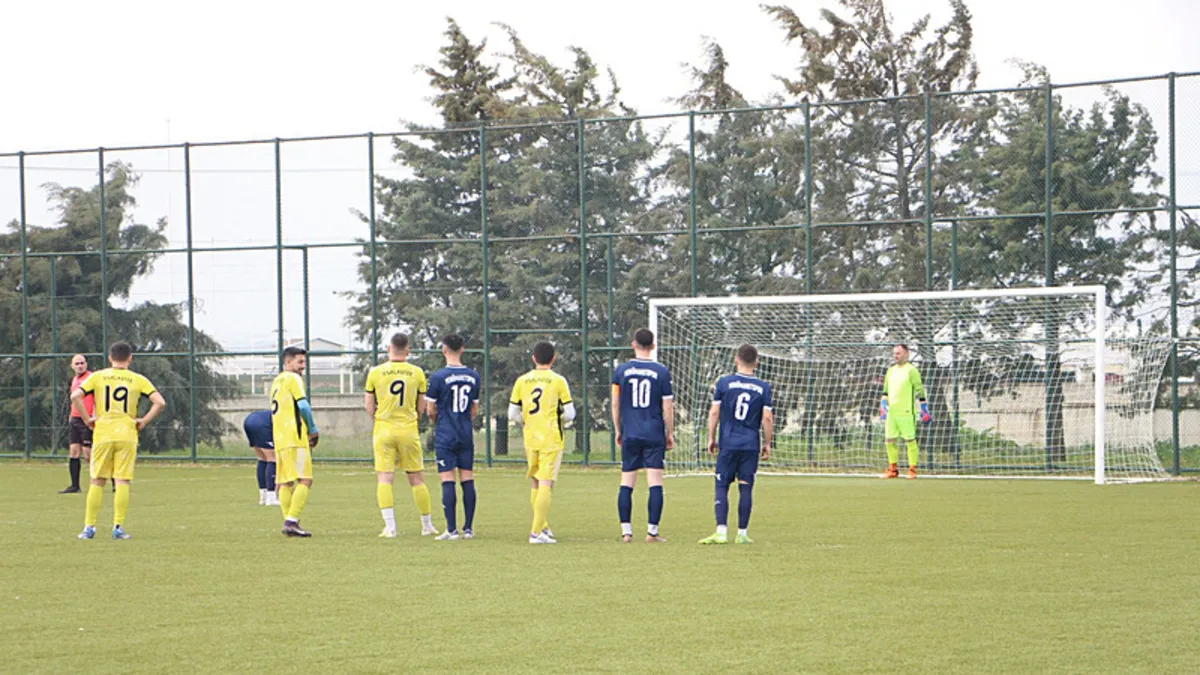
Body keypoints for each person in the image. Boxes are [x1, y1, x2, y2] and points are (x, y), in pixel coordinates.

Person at [74, 341, 166, 540]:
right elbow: (160, 402)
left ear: (110, 358)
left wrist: (87, 419)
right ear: (130, 358)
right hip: (126, 433)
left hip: (103, 433)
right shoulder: (137, 379)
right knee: (122, 480)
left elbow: (75, 396)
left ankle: (89, 528)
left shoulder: (98, 376)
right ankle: (118, 527)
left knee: (97, 480)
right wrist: (143, 421)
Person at [699, 344, 773, 545]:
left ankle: (721, 531)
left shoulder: (724, 383)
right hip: (750, 444)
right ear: (756, 362)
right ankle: (742, 533)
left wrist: (711, 437)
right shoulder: (763, 387)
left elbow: (714, 412)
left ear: (736, 359)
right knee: (746, 486)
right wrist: (767, 442)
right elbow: (767, 418)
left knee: (722, 485)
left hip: (729, 443)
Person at [364, 333, 436, 538]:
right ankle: (427, 525)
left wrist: (379, 420)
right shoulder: (417, 373)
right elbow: (421, 407)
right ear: (408, 350)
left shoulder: (376, 372)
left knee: (385, 478)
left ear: (389, 349)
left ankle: (390, 527)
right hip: (408, 429)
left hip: (384, 429)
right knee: (417, 478)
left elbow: (369, 405)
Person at [611, 328, 674, 543]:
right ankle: (652, 532)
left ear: (633, 344)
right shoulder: (662, 372)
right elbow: (667, 406)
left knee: (627, 481)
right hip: (654, 432)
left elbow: (615, 403)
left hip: (630, 432)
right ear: (653, 346)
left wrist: (618, 430)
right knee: (654, 481)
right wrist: (670, 432)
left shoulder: (621, 371)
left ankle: (626, 532)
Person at [509, 341, 575, 545]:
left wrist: (527, 421)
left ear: (534, 359)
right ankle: (536, 532)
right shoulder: (558, 381)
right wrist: (561, 420)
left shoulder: (522, 381)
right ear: (553, 358)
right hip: (551, 437)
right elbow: (570, 412)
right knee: (547, 483)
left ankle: (543, 527)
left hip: (530, 437)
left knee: (536, 482)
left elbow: (513, 413)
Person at [424, 333, 481, 541]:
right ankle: (468, 528)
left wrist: (436, 422)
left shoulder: (438, 377)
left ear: (443, 349)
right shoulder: (473, 376)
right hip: (465, 432)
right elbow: (474, 409)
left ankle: (451, 529)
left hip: (446, 433)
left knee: (447, 478)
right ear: (462, 349)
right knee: (467, 477)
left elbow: (430, 410)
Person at [271, 346, 319, 537]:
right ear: (287, 362)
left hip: (280, 438)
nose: (302, 366)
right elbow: (303, 406)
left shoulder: (276, 381)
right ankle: (291, 521)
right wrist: (313, 429)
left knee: (285, 482)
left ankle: (290, 522)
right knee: (305, 479)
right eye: (299, 362)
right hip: (295, 437)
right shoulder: (293, 379)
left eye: (304, 362)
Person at [880, 343, 931, 479]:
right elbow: (885, 391)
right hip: (892, 412)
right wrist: (883, 403)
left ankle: (912, 469)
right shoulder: (890, 370)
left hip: (907, 411)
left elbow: (919, 389)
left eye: (898, 353)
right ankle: (893, 469)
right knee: (889, 440)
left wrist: (924, 408)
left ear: (906, 354)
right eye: (894, 353)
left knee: (910, 440)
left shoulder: (911, 370)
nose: (895, 356)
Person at [60, 354, 95, 494]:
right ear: (72, 366)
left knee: (88, 454)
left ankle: (103, 482)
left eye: (82, 363)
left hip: (87, 419)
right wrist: (70, 416)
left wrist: (95, 415)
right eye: (77, 363)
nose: (80, 365)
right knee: (74, 452)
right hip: (75, 419)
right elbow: (74, 400)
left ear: (86, 364)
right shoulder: (74, 379)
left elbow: (98, 397)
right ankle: (75, 486)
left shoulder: (91, 378)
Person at [243, 410, 277, 505]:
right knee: (273, 458)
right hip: (261, 424)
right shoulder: (291, 419)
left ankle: (263, 496)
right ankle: (271, 497)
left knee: (262, 458)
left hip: (249, 420)